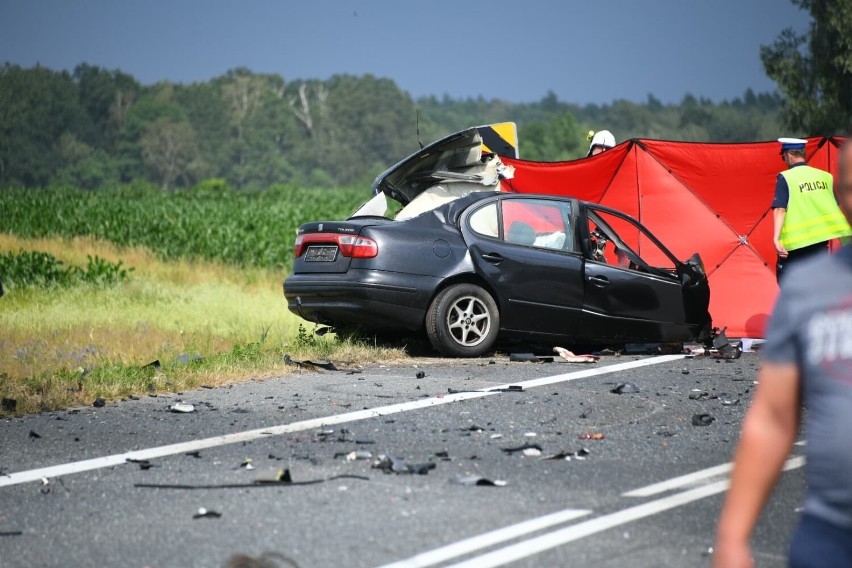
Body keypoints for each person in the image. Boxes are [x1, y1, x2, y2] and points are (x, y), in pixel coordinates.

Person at [713, 141, 852, 568]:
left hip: (796, 248)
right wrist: (733, 538)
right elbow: (774, 415)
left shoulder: (787, 179)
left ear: (785, 156)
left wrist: (775, 238)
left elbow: (780, 212)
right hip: (830, 532)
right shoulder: (822, 179)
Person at [772, 137, 851, 281]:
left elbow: (780, 209)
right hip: (820, 242)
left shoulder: (786, 178)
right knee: (818, 282)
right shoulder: (825, 177)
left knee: (789, 284)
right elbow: (838, 206)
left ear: (789, 155)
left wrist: (776, 238)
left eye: (784, 157)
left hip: (795, 245)